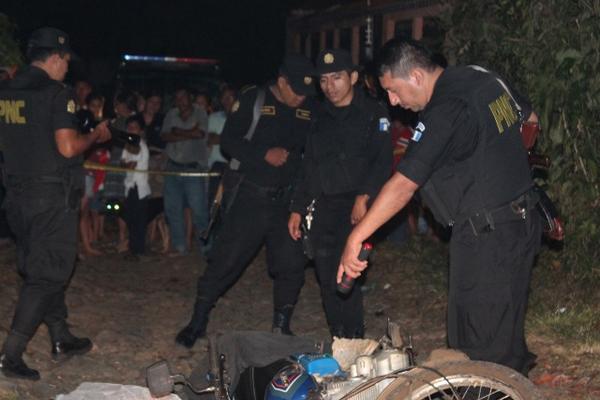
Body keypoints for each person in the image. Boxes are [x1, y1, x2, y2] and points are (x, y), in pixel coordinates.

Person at [337, 39, 542, 374]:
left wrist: (355, 237)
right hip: (519, 223)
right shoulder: (481, 77)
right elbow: (530, 119)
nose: (392, 101)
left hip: (488, 237)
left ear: (416, 76)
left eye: (393, 90)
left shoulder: (446, 109)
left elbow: (403, 185)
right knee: (503, 338)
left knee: (480, 352)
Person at [175, 54, 316, 348]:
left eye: (306, 92)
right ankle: (198, 321)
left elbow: (309, 154)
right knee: (225, 261)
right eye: (297, 91)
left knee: (291, 264)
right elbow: (229, 142)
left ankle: (281, 325)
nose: (301, 98)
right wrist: (263, 154)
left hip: (287, 201)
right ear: (281, 82)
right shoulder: (254, 99)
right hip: (251, 196)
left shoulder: (307, 108)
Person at [0, 27, 111, 380]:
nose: (67, 69)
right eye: (65, 61)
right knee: (49, 273)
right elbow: (66, 147)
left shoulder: (6, 91)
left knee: (40, 266)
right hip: (50, 197)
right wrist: (95, 134)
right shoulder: (56, 93)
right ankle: (10, 355)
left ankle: (61, 337)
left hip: (16, 195)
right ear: (54, 58)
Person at [288, 49, 393, 339]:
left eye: (337, 77)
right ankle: (338, 336)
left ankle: (355, 338)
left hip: (357, 205)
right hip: (324, 205)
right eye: (323, 80)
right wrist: (297, 207)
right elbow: (308, 164)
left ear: (354, 77)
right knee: (325, 275)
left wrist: (365, 196)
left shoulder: (373, 113)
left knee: (349, 276)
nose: (329, 85)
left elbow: (382, 162)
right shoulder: (318, 116)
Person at [161, 88, 209, 255]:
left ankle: (205, 246)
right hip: (173, 166)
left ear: (190, 97)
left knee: (199, 209)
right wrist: (190, 133)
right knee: (172, 208)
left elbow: (200, 133)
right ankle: (179, 246)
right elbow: (165, 136)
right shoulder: (171, 114)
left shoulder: (200, 113)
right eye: (177, 97)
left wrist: (178, 132)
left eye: (184, 96)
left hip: (193, 168)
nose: (181, 100)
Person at [121, 115, 151, 261]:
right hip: (130, 186)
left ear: (140, 130)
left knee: (139, 221)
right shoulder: (128, 144)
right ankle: (134, 249)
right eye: (129, 127)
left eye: (135, 127)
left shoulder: (141, 146)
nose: (131, 130)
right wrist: (126, 164)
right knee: (131, 219)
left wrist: (126, 164)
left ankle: (139, 250)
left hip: (140, 188)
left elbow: (129, 165)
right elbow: (123, 163)